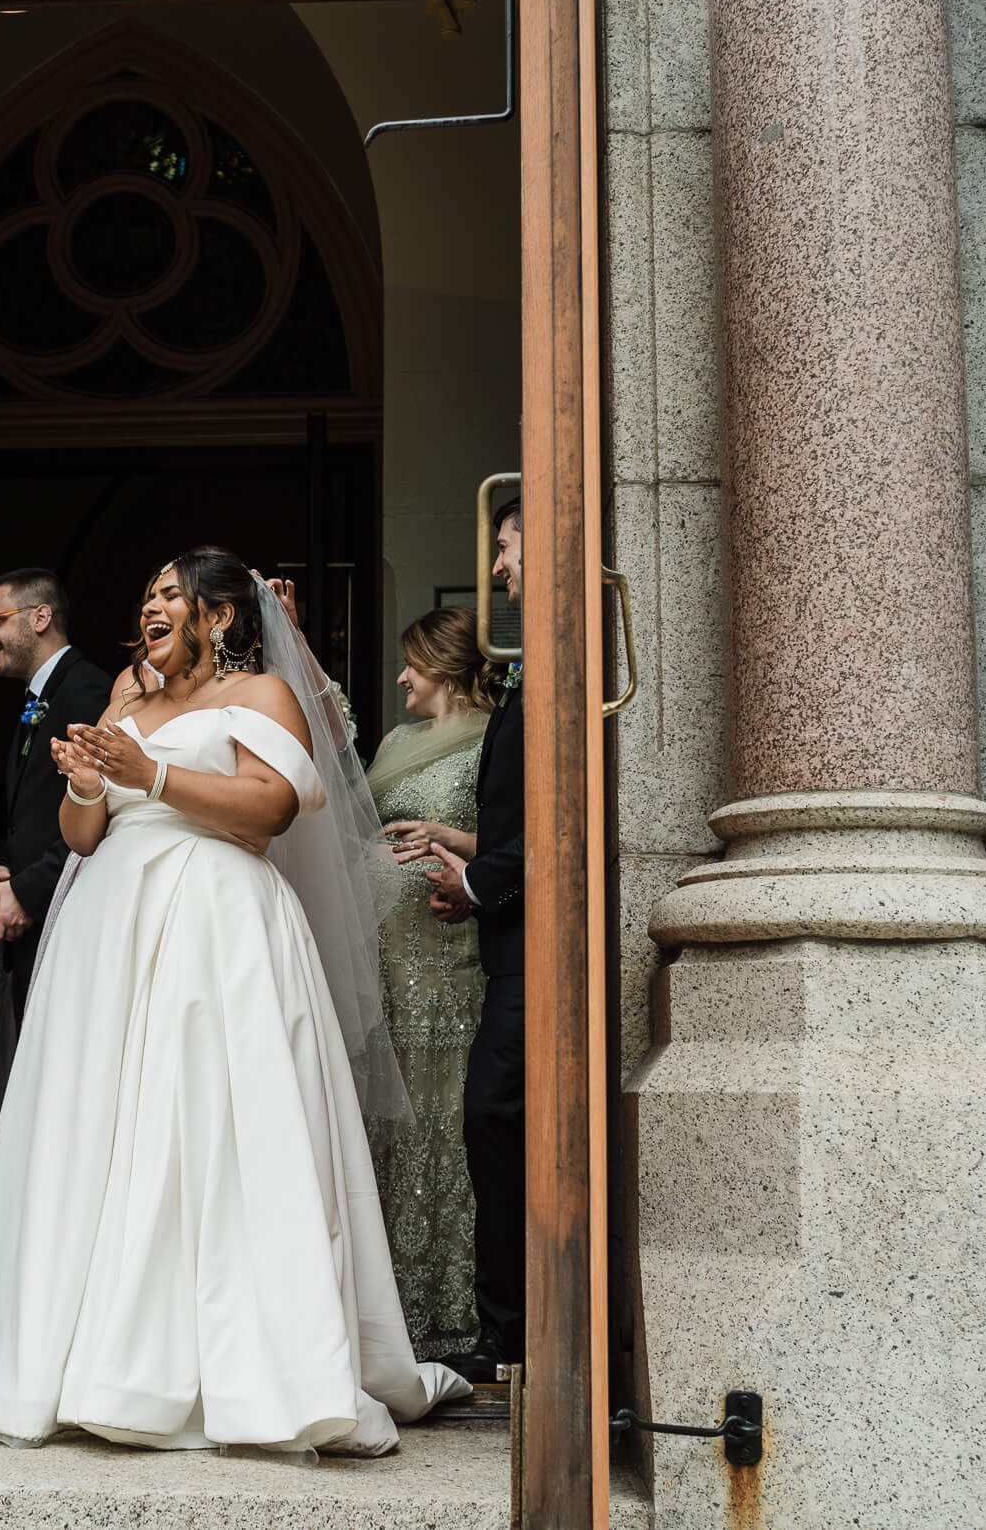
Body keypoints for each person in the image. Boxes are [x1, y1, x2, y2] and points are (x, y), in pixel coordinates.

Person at [0, 549, 467, 1456]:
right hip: (110, 930)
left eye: (171, 594)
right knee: (97, 1130)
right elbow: (83, 834)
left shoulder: (260, 698)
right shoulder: (126, 703)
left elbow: (272, 809)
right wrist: (94, 783)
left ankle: (221, 1363)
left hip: (216, 924)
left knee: (210, 1124)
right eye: (146, 594)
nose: (152, 605)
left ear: (218, 618)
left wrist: (153, 777)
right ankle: (77, 1354)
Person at [363, 607, 503, 1361]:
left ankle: (456, 1310)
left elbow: (517, 845)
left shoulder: (493, 738)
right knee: (394, 1118)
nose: (401, 679)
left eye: (410, 665)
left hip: (451, 952)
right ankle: (393, 1311)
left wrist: (452, 842)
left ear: (442, 665)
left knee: (448, 1116)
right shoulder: (394, 741)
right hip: (390, 952)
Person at [423, 501, 527, 1385]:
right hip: (507, 947)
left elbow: (550, 819)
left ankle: (513, 1336)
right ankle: (511, 1332)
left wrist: (479, 884)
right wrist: (467, 854)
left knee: (494, 1121)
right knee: (495, 1126)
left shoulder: (557, 677)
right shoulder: (529, 678)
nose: (498, 568)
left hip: (530, 957)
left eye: (504, 545)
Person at [0, 569, 111, 1018]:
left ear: (40, 617)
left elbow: (103, 808)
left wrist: (27, 892)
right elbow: (27, 808)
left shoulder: (90, 691)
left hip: (69, 918)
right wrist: (2, 865)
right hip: (33, 917)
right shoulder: (41, 693)